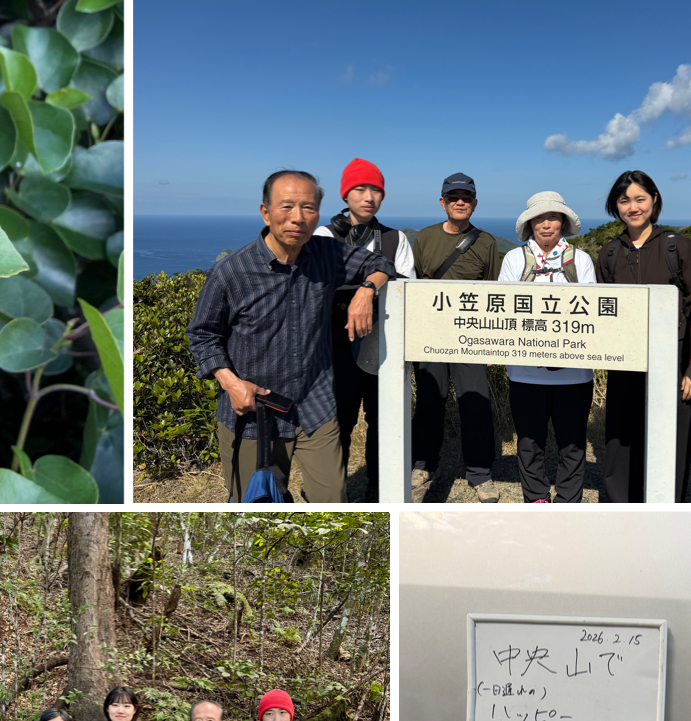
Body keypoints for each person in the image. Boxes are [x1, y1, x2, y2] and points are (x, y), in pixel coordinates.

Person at [188, 170, 392, 502]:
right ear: (265, 212)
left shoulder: (328, 254)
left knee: (332, 501)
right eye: (286, 207)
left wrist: (366, 291)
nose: (297, 218)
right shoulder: (232, 272)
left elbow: (381, 262)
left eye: (308, 208)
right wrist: (230, 383)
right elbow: (202, 335)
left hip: (315, 406)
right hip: (254, 412)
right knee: (256, 505)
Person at [595, 171, 691, 501]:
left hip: (674, 358)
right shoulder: (609, 253)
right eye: (624, 200)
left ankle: (666, 509)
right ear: (615, 206)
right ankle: (622, 510)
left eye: (640, 198)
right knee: (620, 440)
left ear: (654, 200)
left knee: (671, 437)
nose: (633, 207)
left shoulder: (678, 247)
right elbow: (604, 311)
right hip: (626, 361)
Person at [317, 158, 418, 501]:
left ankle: (380, 490)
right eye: (360, 189)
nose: (368, 196)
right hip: (334, 345)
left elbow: (407, 287)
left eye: (376, 189)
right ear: (346, 194)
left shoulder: (394, 238)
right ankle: (334, 493)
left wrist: (363, 287)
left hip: (383, 342)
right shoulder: (324, 236)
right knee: (338, 423)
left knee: (383, 421)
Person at [498, 193, 599, 503]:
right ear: (529, 224)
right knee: (529, 441)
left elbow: (592, 313)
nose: (546, 224)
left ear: (563, 222)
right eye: (539, 218)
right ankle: (536, 497)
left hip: (575, 374)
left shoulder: (579, 260)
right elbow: (502, 311)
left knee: (573, 442)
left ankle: (568, 499)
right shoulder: (515, 259)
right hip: (525, 373)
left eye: (553, 217)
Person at [410, 173, 503, 502]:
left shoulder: (487, 243)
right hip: (431, 336)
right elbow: (416, 287)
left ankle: (480, 473)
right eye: (453, 197)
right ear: (443, 202)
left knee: (475, 403)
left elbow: (494, 293)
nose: (460, 201)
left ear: (475, 203)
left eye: (466, 197)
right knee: (428, 403)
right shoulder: (423, 238)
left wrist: (491, 343)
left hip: (472, 339)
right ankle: (422, 464)